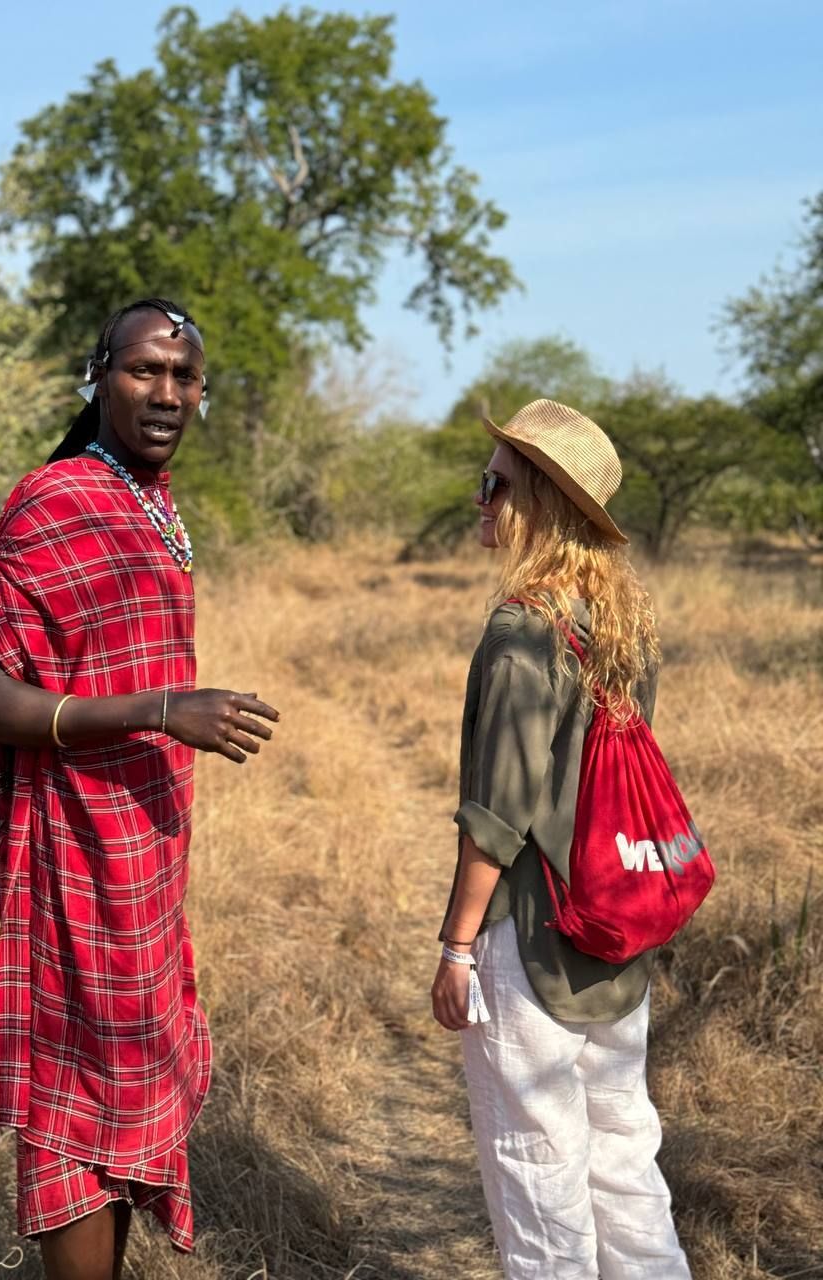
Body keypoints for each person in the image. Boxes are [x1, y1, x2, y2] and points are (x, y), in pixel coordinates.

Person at [0, 298, 279, 1280]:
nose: (167, 391)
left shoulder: (155, 501)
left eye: (185, 376)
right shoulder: (56, 498)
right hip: (70, 852)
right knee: (72, 1105)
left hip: (143, 853)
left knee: (126, 1089)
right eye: (143, 370)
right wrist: (157, 709)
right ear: (96, 375)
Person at [431, 400, 691, 1279]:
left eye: (494, 483)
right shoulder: (621, 622)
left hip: (532, 934)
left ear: (537, 500)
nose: (481, 500)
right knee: (623, 1153)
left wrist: (456, 947)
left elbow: (496, 819)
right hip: (617, 922)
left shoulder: (521, 630)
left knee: (536, 1170)